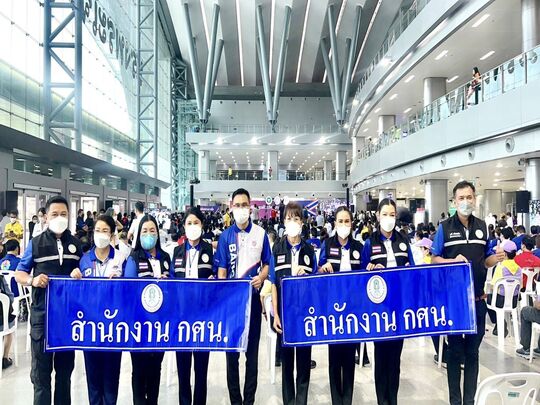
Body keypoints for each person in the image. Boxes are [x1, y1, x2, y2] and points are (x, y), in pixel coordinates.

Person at [431, 181, 504, 405]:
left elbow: (486, 260)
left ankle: (469, 401)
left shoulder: (482, 227)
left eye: (469, 197)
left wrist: (496, 258)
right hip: (454, 302)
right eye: (461, 198)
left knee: (473, 353)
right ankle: (455, 400)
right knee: (454, 353)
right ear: (454, 201)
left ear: (475, 198)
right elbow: (434, 259)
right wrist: (452, 260)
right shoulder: (444, 228)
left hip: (478, 300)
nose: (465, 201)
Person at [15, 196, 83, 404]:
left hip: (68, 320)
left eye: (63, 214)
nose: (59, 218)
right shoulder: (36, 244)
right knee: (41, 376)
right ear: (45, 217)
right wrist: (33, 280)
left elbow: (86, 274)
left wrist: (79, 274)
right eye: (55, 214)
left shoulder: (76, 244)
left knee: (64, 374)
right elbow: (19, 273)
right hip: (42, 319)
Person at [214, 188, 274, 405]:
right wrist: (223, 294)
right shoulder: (225, 237)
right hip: (232, 306)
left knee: (252, 356)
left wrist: (261, 277)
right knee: (231, 357)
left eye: (244, 205)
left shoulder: (260, 234)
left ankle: (249, 401)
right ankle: (235, 401)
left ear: (250, 207)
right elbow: (221, 270)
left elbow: (267, 264)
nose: (241, 209)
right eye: (237, 205)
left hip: (253, 303)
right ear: (231, 208)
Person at [361, 198, 415, 405]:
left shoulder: (403, 240)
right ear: (377, 216)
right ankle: (381, 400)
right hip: (379, 309)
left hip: (399, 307)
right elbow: (362, 273)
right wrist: (369, 269)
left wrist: (409, 269)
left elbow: (412, 268)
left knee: (395, 359)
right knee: (381, 357)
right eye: (385, 214)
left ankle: (393, 400)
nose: (389, 218)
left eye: (392, 215)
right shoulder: (370, 242)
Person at [70, 214, 125, 405]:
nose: (101, 234)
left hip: (114, 327)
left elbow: (130, 291)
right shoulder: (85, 260)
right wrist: (74, 277)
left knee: (111, 378)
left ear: (112, 234)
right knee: (93, 378)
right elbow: (77, 294)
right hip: (91, 327)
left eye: (105, 231)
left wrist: (121, 282)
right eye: (98, 230)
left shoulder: (121, 258)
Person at [271, 202, 317, 405]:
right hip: (284, 314)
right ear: (283, 221)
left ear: (302, 222)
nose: (292, 222)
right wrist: (275, 314)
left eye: (296, 218)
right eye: (289, 218)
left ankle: (301, 401)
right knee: (287, 364)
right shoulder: (277, 249)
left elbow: (315, 283)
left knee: (304, 363)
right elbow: (273, 284)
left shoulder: (309, 250)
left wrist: (307, 276)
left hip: (305, 314)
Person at [124, 214, 171, 405]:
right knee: (139, 370)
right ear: (138, 234)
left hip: (160, 325)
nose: (149, 234)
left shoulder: (165, 258)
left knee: (155, 369)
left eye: (152, 230)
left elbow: (175, 289)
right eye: (144, 231)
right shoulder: (133, 258)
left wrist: (168, 284)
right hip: (139, 325)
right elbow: (129, 291)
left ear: (158, 234)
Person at [318, 206, 363, 405]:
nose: (344, 225)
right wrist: (322, 268)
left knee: (349, 358)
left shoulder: (359, 247)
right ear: (334, 223)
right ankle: (337, 399)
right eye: (340, 221)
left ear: (351, 224)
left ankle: (347, 400)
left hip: (353, 310)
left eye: (347, 221)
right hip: (333, 311)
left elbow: (365, 275)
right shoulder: (327, 245)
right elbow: (317, 272)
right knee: (334, 358)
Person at [171, 207, 214, 405]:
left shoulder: (209, 250)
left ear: (202, 225)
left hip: (203, 317)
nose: (192, 226)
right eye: (189, 223)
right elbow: (172, 281)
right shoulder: (177, 252)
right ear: (184, 226)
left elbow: (217, 277)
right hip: (181, 318)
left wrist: (215, 280)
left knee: (201, 369)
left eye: (196, 222)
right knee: (183, 369)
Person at [487, 240, 520, 336]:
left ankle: (499, 322)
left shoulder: (500, 267)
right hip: (513, 301)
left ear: (504, 254)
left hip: (500, 301)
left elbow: (493, 286)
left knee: (486, 300)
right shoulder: (519, 268)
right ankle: (500, 324)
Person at [0, 273, 15, 369]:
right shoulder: (0, 278)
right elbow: (10, 298)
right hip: (2, 322)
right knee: (8, 331)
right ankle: (5, 357)